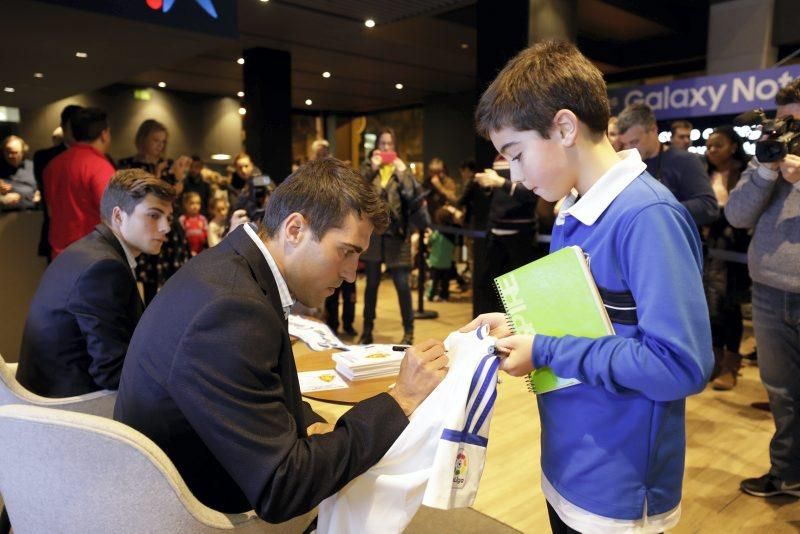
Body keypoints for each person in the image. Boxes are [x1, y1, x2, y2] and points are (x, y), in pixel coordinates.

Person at [113, 157, 448, 520]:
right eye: (346, 251)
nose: (352, 274)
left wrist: (314, 424)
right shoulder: (231, 311)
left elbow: (258, 393)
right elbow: (282, 487)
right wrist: (400, 399)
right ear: (294, 229)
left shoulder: (232, 271)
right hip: (193, 516)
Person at [468, 40, 713, 532]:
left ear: (563, 127)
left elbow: (680, 364)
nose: (515, 176)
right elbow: (590, 320)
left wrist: (546, 350)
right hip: (570, 462)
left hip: (618, 487)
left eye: (516, 155)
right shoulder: (574, 211)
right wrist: (521, 325)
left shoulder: (647, 216)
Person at [16, 169, 174, 397]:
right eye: (153, 215)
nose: (165, 227)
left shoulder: (90, 251)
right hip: (68, 409)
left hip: (48, 394)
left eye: (167, 217)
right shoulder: (104, 267)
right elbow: (112, 372)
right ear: (119, 216)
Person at [726, 78, 800, 499]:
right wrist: (765, 170)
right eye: (784, 123)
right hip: (769, 292)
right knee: (782, 393)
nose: (789, 133)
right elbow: (736, 216)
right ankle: (788, 473)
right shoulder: (771, 162)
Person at [117, 119, 192, 303]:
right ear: (142, 140)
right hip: (143, 228)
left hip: (169, 231)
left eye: (163, 142)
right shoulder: (129, 166)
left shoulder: (169, 166)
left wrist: (180, 178)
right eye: (155, 140)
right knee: (145, 279)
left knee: (173, 278)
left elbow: (174, 198)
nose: (160, 146)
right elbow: (136, 198)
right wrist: (156, 177)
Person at [359, 129, 422, 346]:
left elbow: (412, 196)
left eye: (389, 144)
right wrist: (372, 169)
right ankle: (367, 330)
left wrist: (403, 172)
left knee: (402, 285)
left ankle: (409, 331)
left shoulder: (401, 169)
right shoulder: (369, 168)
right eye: (382, 143)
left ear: (395, 147)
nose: (386, 148)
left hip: (397, 235)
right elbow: (358, 193)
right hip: (374, 236)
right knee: (372, 285)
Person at [702, 126, 752, 391]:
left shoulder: (747, 174)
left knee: (728, 308)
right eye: (709, 146)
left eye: (717, 145)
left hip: (734, 254)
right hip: (707, 251)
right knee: (710, 308)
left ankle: (731, 365)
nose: (711, 151)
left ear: (733, 146)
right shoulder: (704, 173)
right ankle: (716, 360)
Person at [617, 102, 719, 226]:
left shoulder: (685, 161)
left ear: (653, 130)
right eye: (624, 144)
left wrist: (658, 212)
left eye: (634, 142)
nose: (629, 149)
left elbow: (709, 207)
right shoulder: (627, 166)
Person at [44, 107, 116, 259]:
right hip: (91, 254)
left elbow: (51, 211)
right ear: (104, 134)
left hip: (59, 254)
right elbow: (112, 214)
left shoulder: (53, 165)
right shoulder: (100, 166)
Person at [33, 104, 83, 259]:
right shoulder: (45, 157)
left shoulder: (96, 158)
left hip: (88, 234)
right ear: (63, 126)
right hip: (59, 235)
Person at [427, 206, 460, 302]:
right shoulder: (453, 232)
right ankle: (444, 296)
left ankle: (431, 296)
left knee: (434, 280)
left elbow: (431, 241)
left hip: (436, 261)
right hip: (447, 261)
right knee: (445, 281)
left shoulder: (437, 231)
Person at [0, 135, 36, 210]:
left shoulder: (33, 167)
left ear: (23, 152)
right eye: (7, 152)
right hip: (5, 216)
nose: (10, 156)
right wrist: (2, 198)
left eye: (14, 152)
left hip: (32, 214)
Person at [179, 191, 208, 256]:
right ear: (185, 204)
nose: (195, 206)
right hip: (187, 253)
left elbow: (206, 237)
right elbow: (181, 238)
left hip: (201, 253)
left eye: (198, 203)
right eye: (192, 203)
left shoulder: (203, 219)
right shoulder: (182, 219)